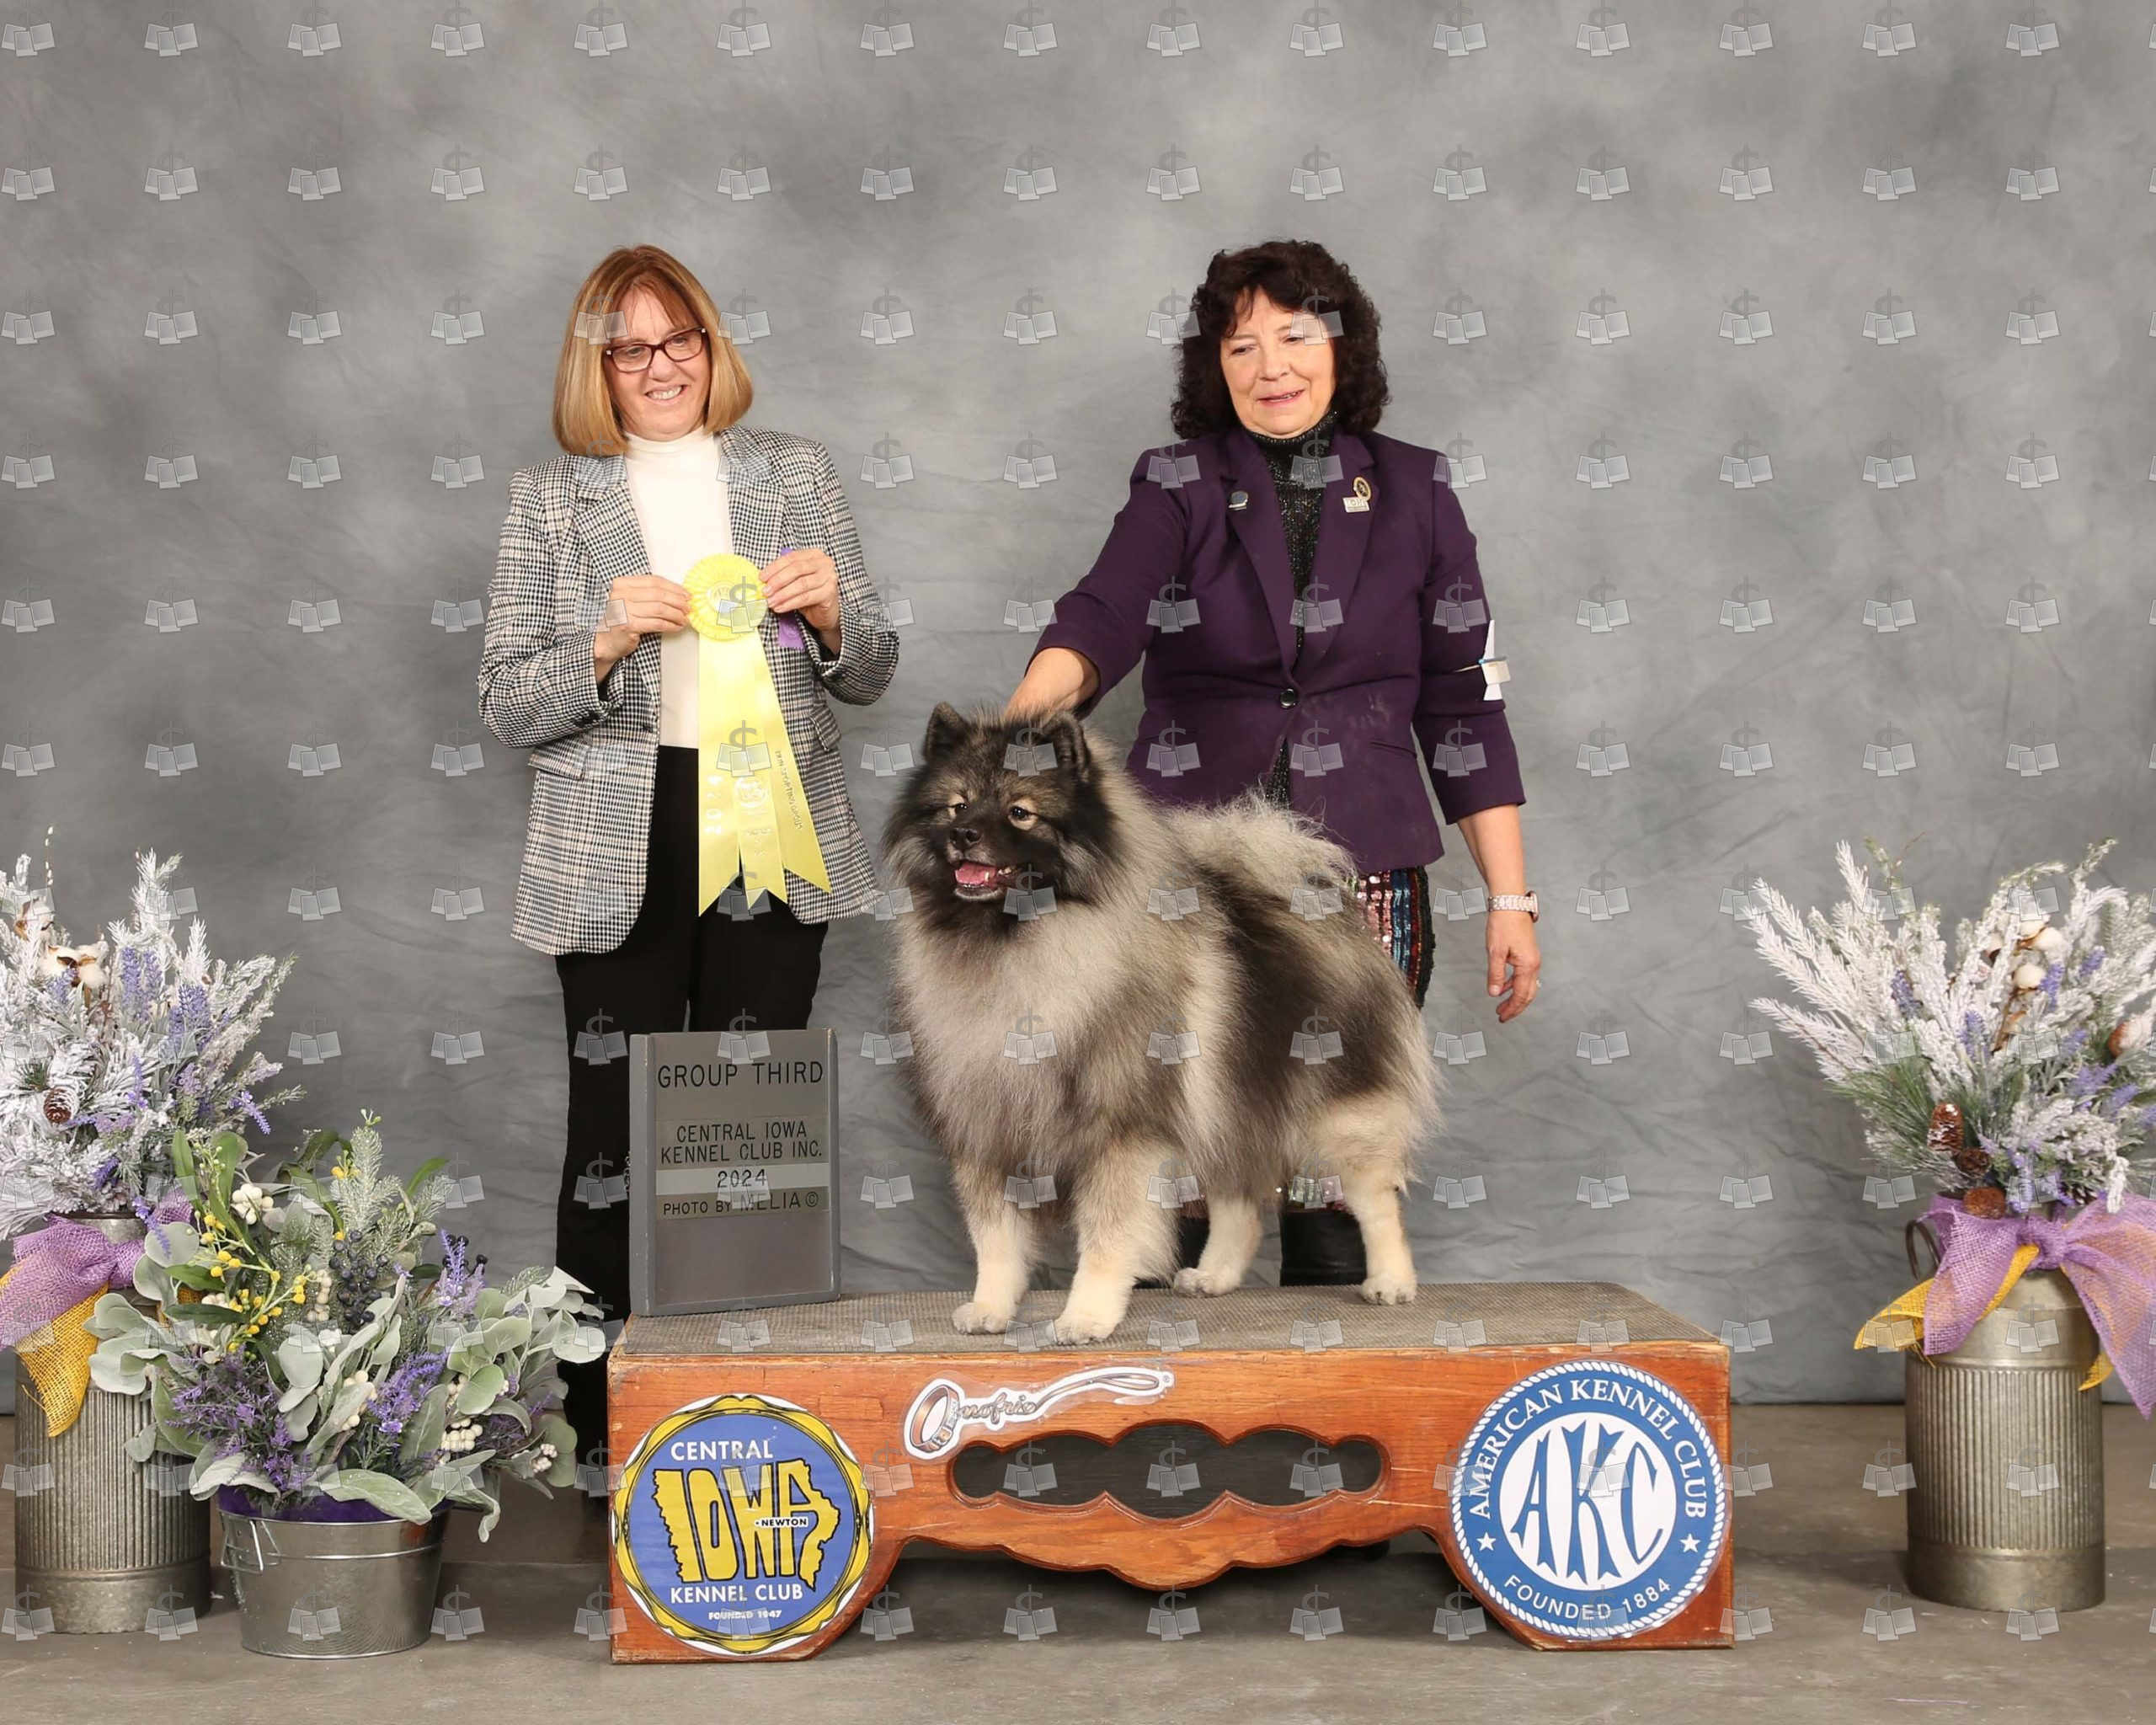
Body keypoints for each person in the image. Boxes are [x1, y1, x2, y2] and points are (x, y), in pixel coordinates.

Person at [1007, 236, 1540, 1290]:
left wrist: (1511, 897)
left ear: (1343, 346)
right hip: (1191, 877)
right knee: (1169, 1136)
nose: (1270, 367)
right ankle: (1150, 1372)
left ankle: (1333, 1374)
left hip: (1365, 875)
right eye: (1240, 345)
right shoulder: (1178, 482)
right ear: (1215, 366)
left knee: (1339, 1156)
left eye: (1295, 336)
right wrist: (1021, 728)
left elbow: (1464, 707)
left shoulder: (1418, 489)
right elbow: (1103, 612)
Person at [477, 244, 898, 1455]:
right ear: (596, 367)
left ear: (712, 347)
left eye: (681, 341)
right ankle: (602, 1435)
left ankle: (748, 1418)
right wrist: (603, 639)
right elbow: (507, 702)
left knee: (752, 1133)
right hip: (618, 834)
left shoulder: (795, 472)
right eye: (631, 349)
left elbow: (870, 670)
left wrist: (833, 615)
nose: (661, 367)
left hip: (770, 817)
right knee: (611, 1134)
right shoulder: (550, 500)